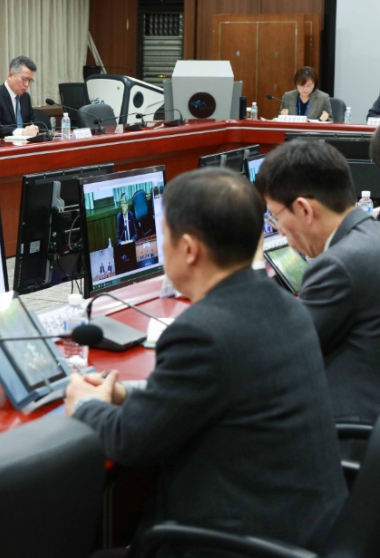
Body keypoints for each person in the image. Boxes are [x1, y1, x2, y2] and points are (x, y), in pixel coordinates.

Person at [64, 167, 346, 553]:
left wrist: (87, 406)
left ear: (190, 249)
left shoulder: (200, 332)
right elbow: (220, 388)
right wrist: (128, 394)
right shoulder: (282, 303)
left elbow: (129, 442)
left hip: (239, 541)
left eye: (164, 236)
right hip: (305, 529)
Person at [255, 139, 380, 434]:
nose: (280, 231)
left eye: (276, 217)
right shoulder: (370, 235)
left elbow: (279, 359)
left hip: (346, 433)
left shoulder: (337, 265)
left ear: (304, 210)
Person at [0, 56, 40, 137]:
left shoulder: (25, 97)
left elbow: (33, 122)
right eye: (24, 79)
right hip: (1, 147)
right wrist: (21, 132)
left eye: (30, 80)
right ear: (10, 75)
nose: (27, 84)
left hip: (24, 146)